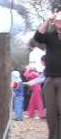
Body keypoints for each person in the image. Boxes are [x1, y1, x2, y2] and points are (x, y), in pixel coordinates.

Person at [33, 11, 61, 139]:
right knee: (50, 113)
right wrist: (47, 20)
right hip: (49, 78)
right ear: (55, 22)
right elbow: (38, 37)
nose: (59, 22)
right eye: (58, 20)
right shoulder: (50, 36)